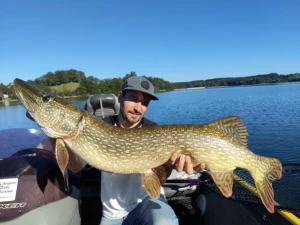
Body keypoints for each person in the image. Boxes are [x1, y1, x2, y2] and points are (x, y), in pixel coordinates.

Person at [37, 76, 205, 225]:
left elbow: (160, 174)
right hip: (112, 212)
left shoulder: (153, 130)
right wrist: (55, 134)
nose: (138, 108)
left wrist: (174, 165)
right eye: (133, 99)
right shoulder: (100, 125)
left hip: (146, 201)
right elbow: (75, 167)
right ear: (120, 96)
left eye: (144, 103)